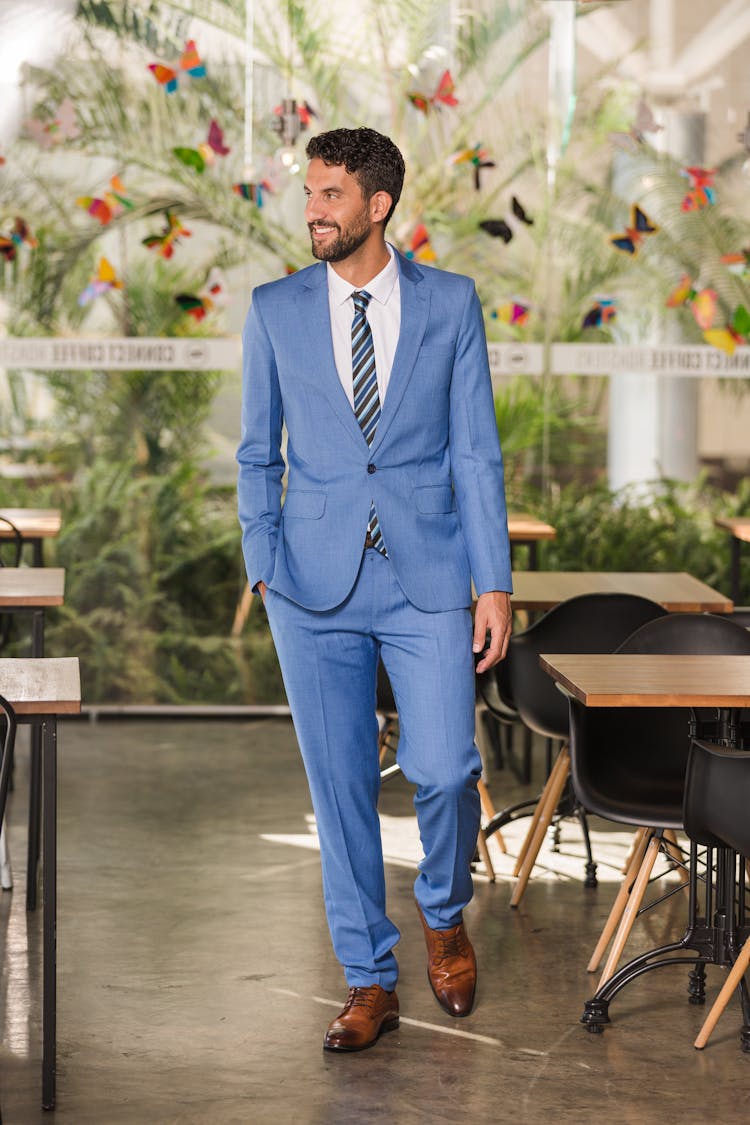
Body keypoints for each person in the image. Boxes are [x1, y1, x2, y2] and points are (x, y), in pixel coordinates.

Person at [237, 126, 512, 1052]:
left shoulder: (452, 303)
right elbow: (254, 452)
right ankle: (367, 976)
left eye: (329, 196)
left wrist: (495, 584)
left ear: (377, 204)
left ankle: (442, 909)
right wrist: (262, 562)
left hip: (427, 575)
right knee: (340, 786)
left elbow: (475, 451)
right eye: (309, 194)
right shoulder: (274, 309)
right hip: (308, 588)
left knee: (444, 767)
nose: (312, 210)